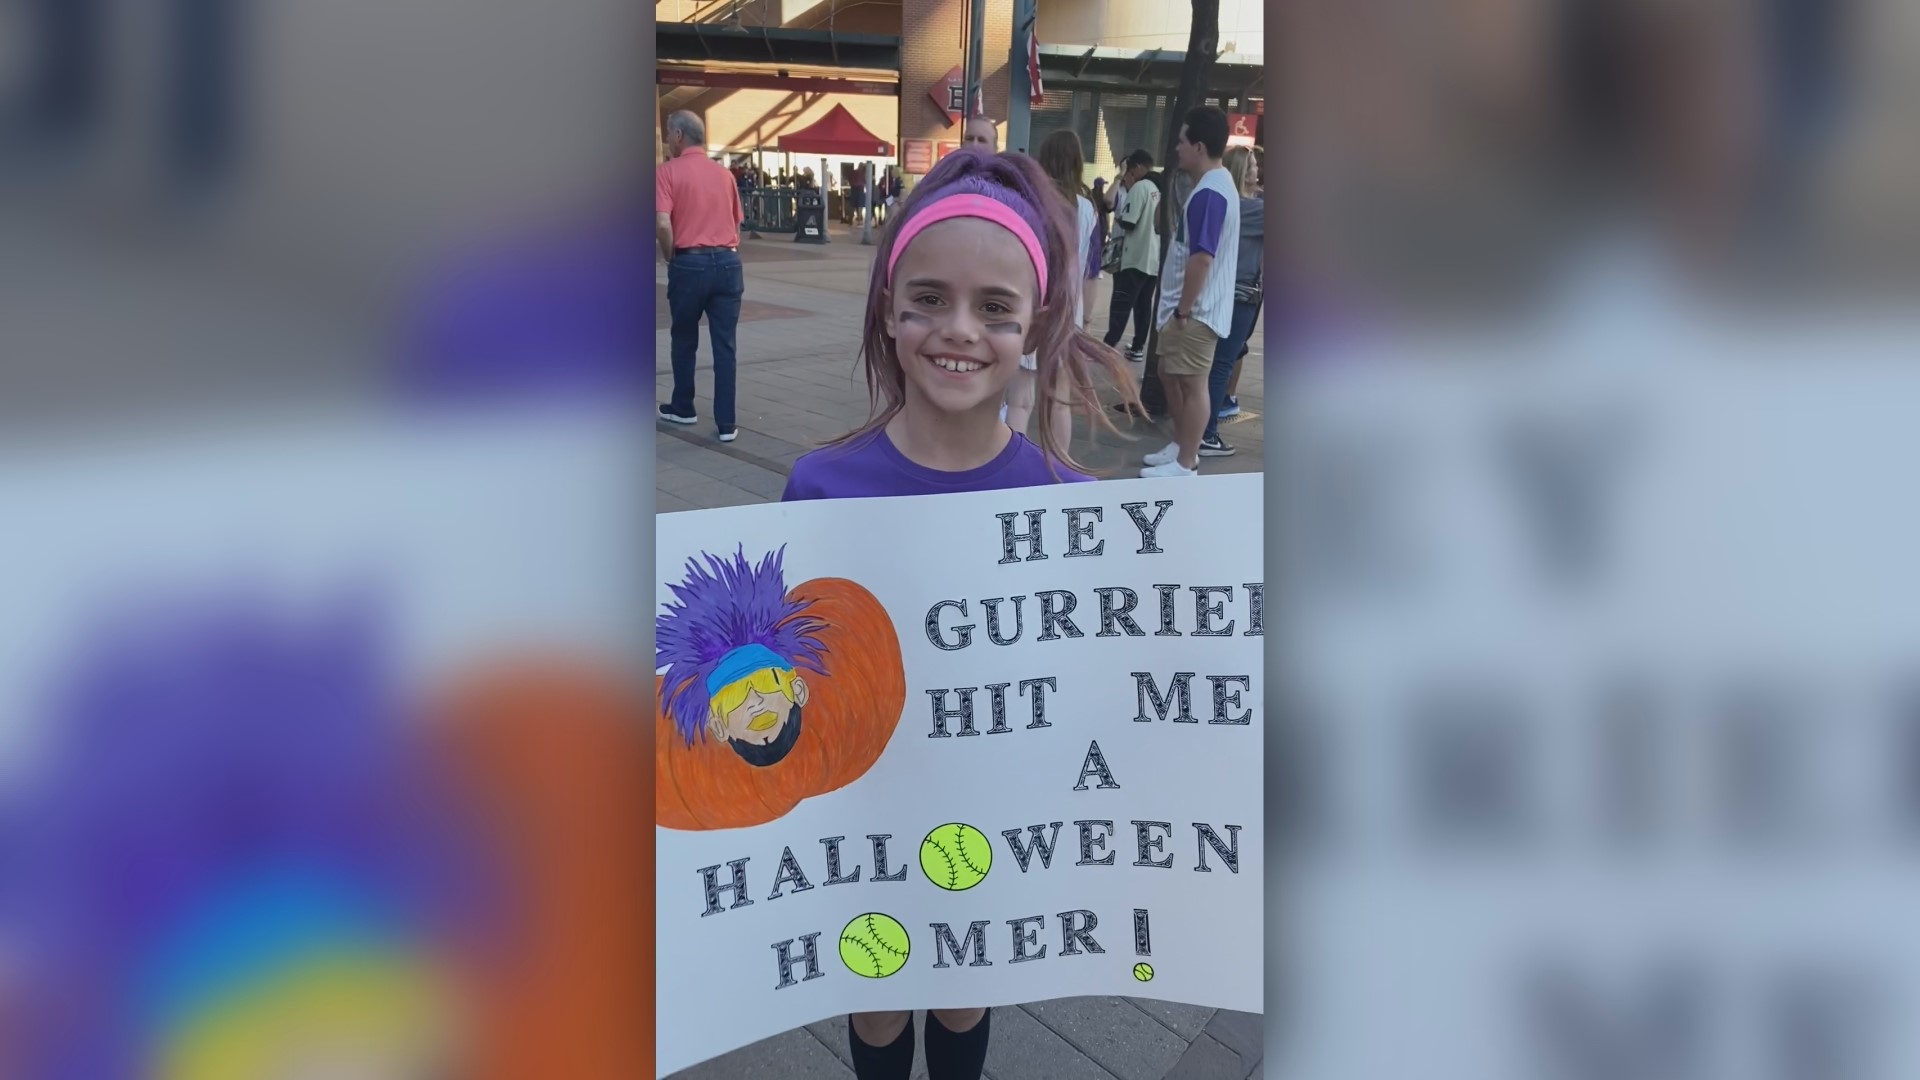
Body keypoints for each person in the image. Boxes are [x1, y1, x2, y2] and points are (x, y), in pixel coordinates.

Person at [780, 147, 1137, 1078]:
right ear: (888, 312)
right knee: (874, 999)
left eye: (995, 309)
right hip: (862, 817)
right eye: (929, 298)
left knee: (964, 985)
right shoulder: (818, 487)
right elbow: (787, 678)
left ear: (1036, 325)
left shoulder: (1073, 506)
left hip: (991, 812)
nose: (960, 331)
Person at [1141, 107, 1239, 477]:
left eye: (1182, 142)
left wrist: (1183, 309)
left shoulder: (1210, 193)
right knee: (1170, 373)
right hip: (1189, 309)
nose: (1177, 148)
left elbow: (1202, 258)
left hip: (1195, 312)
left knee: (1193, 384)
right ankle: (1183, 446)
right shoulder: (1214, 185)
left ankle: (1187, 462)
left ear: (1198, 147)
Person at [1003, 128, 1098, 459]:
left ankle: (1011, 468)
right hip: (1069, 313)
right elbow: (1091, 271)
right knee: (1059, 401)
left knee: (1020, 399)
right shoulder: (1088, 209)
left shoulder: (1030, 203)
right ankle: (1058, 471)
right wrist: (1086, 319)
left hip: (1031, 308)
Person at [656, 110, 745, 442]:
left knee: (683, 338)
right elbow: (736, 223)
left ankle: (684, 406)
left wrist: (670, 257)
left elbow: (663, 223)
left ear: (679, 135)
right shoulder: (725, 176)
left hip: (688, 263)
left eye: (668, 132)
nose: (667, 138)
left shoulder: (666, 173)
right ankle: (726, 423)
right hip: (727, 262)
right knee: (725, 346)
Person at [1195, 145, 1263, 457]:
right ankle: (1206, 433)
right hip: (1240, 293)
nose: (1256, 169)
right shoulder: (1249, 208)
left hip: (1237, 292)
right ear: (1240, 170)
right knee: (1221, 364)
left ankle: (1201, 431)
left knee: (1217, 363)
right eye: (1251, 165)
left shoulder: (1243, 204)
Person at [1102, 149, 1160, 360]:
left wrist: (1117, 221)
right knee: (1144, 306)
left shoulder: (1140, 187)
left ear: (1134, 169)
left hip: (1134, 257)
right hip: (1153, 259)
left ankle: (1108, 346)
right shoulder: (1158, 187)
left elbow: (1128, 221)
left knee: (1122, 303)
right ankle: (1137, 347)